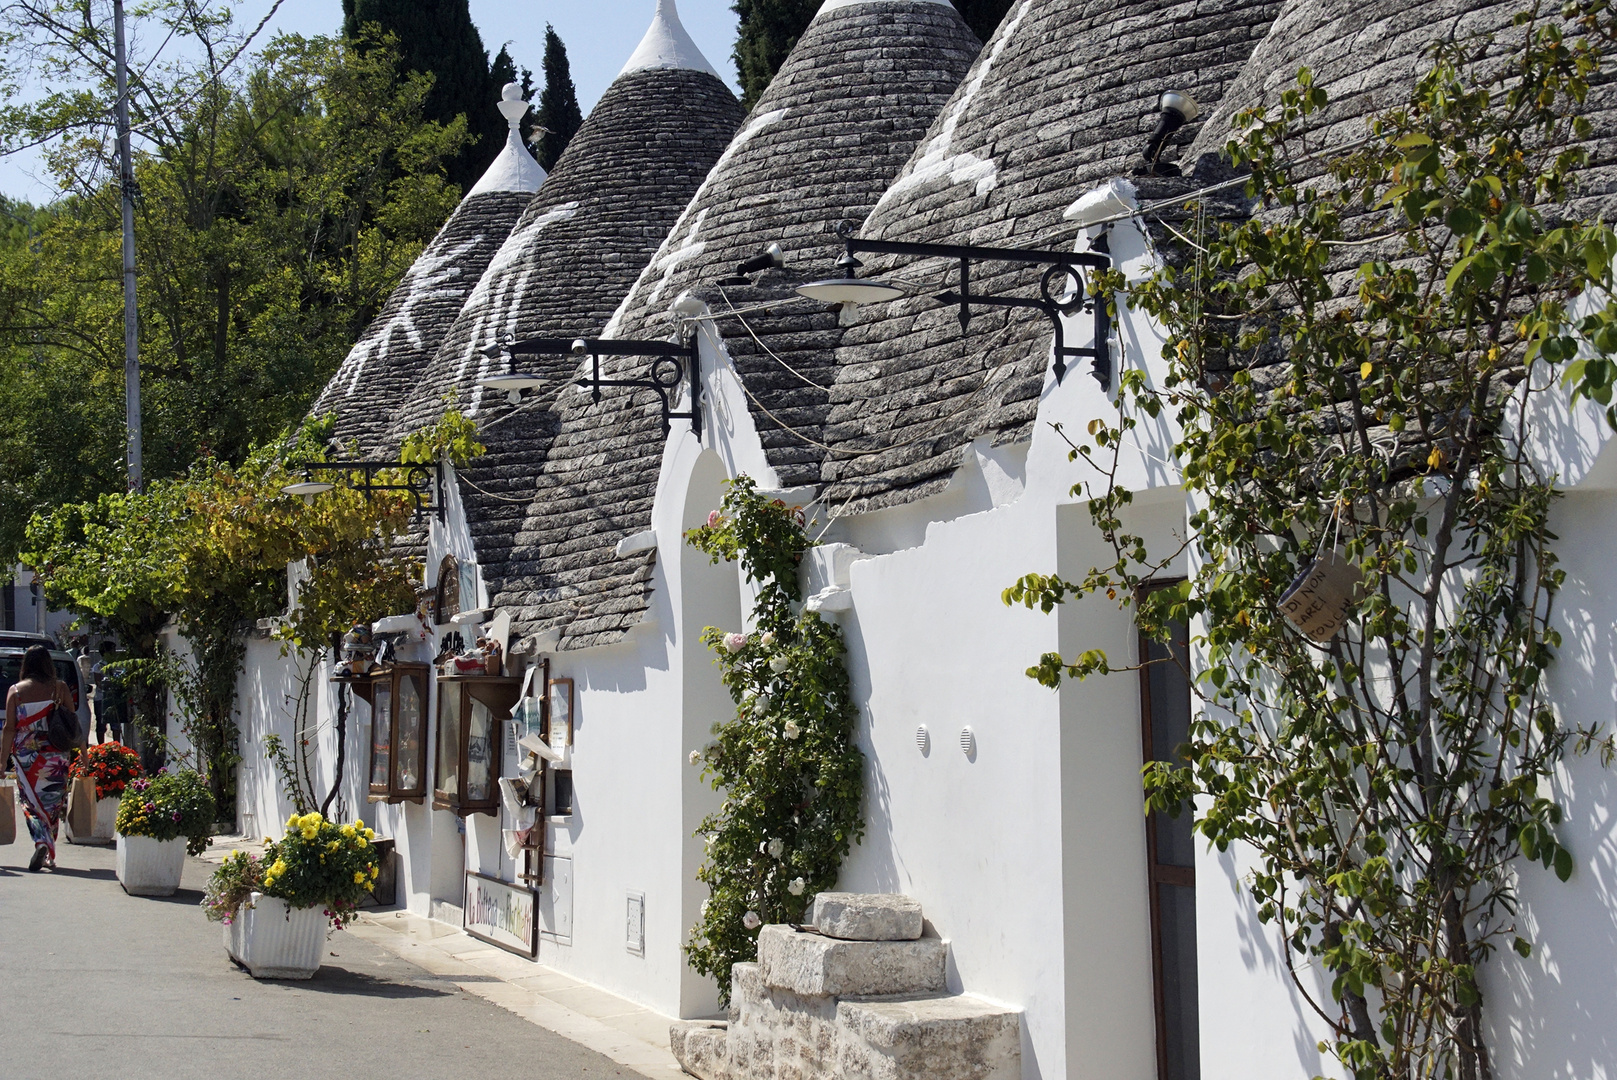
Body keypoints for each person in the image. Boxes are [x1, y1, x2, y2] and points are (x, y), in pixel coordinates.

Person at [1, 644, 82, 871]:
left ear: (26, 665)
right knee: (53, 804)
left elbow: (9, 728)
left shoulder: (16, 691)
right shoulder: (60, 688)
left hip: (26, 758)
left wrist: (1, 761)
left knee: (31, 803)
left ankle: (41, 842)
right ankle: (48, 850)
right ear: (49, 664)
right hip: (56, 755)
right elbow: (72, 723)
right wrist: (83, 752)